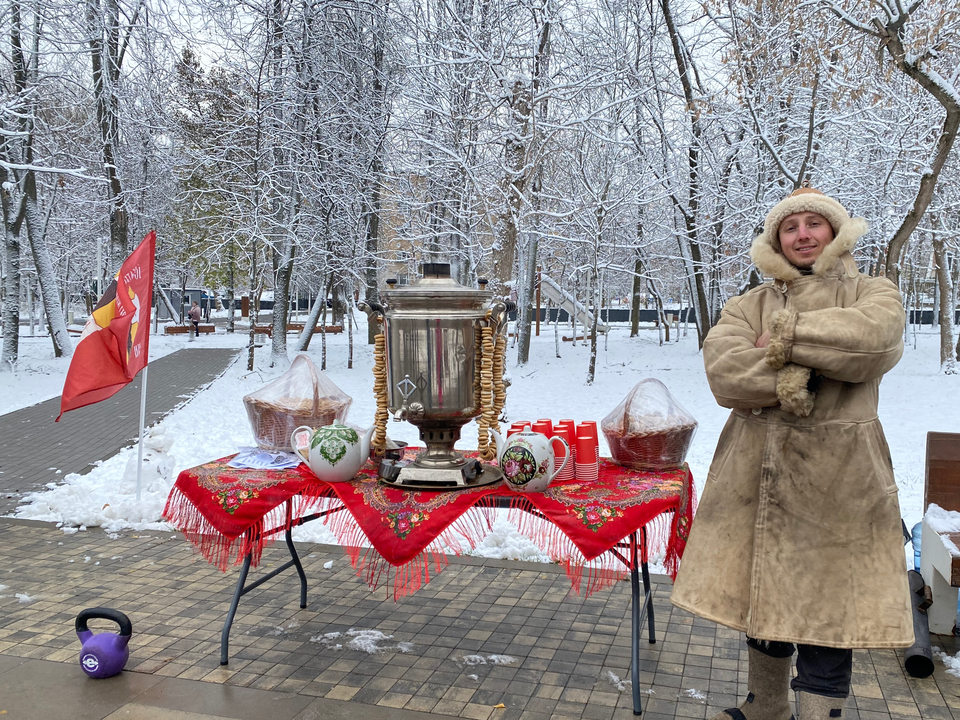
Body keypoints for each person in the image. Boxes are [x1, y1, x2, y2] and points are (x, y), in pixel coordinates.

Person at [670, 187, 913, 720]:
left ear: (835, 231)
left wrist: (778, 342)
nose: (802, 234)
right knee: (764, 595)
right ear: (776, 239)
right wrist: (817, 363)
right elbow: (726, 374)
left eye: (814, 224)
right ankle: (766, 707)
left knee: (829, 609)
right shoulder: (747, 303)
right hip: (756, 475)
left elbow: (871, 344)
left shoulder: (874, 292)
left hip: (841, 481)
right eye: (790, 226)